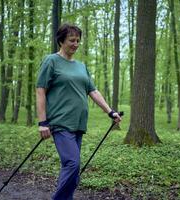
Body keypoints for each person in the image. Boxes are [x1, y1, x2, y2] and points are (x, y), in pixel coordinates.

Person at [36, 23, 122, 200]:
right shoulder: (51, 61)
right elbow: (40, 90)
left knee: (71, 168)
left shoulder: (81, 66)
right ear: (61, 41)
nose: (75, 44)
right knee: (72, 164)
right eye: (71, 40)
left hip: (78, 124)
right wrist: (42, 122)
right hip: (60, 122)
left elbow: (93, 91)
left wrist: (110, 112)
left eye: (78, 40)